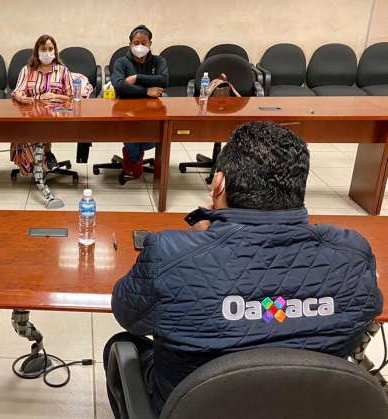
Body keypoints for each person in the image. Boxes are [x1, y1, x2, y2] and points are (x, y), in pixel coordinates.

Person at [105, 121, 382, 416]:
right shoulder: (353, 255)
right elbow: (356, 319)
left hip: (191, 407)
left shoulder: (170, 255)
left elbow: (128, 315)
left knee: (121, 346)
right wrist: (278, 310)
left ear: (218, 184)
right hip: (307, 406)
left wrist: (201, 246)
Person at [11, 34, 74, 209]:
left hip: (56, 117)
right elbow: (16, 91)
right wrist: (21, 97)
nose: (47, 52)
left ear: (55, 51)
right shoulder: (27, 70)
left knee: (37, 138)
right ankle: (42, 162)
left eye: (50, 49)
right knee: (28, 134)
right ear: (36, 52)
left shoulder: (62, 71)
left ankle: (41, 173)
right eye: (43, 49)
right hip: (31, 115)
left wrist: (55, 95)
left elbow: (71, 97)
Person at [110, 25, 168, 178]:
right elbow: (119, 85)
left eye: (144, 43)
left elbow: (164, 80)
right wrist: (147, 91)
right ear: (130, 44)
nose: (140, 46)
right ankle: (134, 159)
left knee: (154, 136)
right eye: (136, 43)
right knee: (133, 136)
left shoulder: (158, 61)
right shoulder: (121, 62)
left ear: (150, 44)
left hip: (153, 108)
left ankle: (133, 158)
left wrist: (137, 78)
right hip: (127, 108)